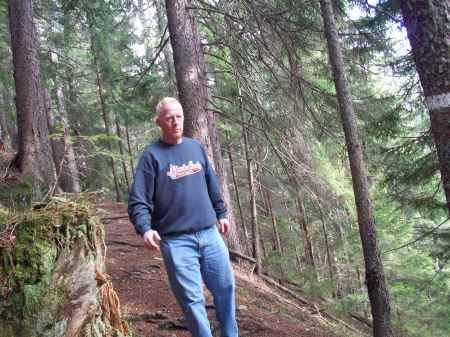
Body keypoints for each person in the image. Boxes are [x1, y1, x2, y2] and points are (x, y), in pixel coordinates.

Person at [128, 97, 239, 337]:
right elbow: (138, 199)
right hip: (177, 241)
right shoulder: (151, 157)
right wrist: (145, 228)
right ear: (159, 122)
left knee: (226, 287)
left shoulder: (195, 147)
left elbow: (211, 182)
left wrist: (221, 212)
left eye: (179, 116)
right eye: (169, 117)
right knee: (192, 300)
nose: (175, 122)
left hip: (209, 234)